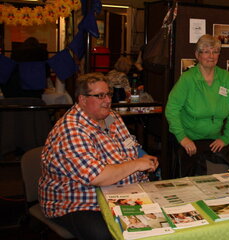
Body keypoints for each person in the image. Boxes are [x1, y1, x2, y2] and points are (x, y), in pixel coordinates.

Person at [39, 72, 159, 240]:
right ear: (82, 100)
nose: (108, 100)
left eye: (108, 94)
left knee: (160, 220)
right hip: (80, 203)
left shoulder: (111, 118)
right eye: (100, 96)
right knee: (108, 234)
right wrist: (138, 164)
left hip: (120, 192)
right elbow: (97, 177)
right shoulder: (71, 130)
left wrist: (144, 156)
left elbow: (129, 144)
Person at [165, 34, 229, 177]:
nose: (211, 56)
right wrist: (182, 137)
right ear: (197, 55)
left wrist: (226, 137)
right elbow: (172, 109)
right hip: (189, 143)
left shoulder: (226, 78)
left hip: (214, 143)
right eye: (206, 51)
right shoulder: (188, 79)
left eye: (215, 51)